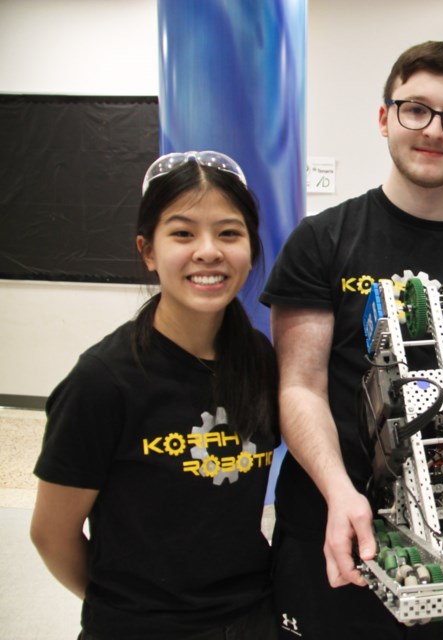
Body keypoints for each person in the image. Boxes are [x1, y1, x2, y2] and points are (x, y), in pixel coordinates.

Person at [259, 41, 443, 639]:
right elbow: (299, 387)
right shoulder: (323, 242)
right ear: (385, 117)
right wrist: (338, 492)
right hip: (336, 525)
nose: (434, 130)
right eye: (416, 109)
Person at [30, 150, 280, 639]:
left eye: (229, 233)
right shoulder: (103, 380)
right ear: (147, 250)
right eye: (182, 233)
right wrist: (131, 615)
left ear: (251, 248)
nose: (208, 251)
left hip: (251, 617)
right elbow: (51, 535)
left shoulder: (260, 359)